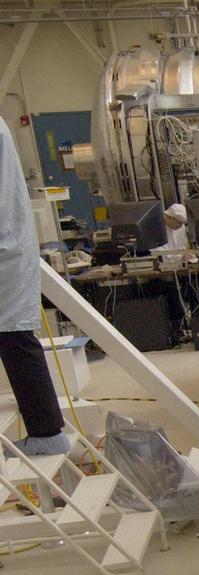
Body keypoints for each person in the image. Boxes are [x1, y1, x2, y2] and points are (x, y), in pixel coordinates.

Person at [0, 118, 70, 457]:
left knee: (14, 338)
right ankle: (46, 431)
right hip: (10, 247)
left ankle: (46, 434)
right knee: (15, 339)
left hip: (4, 251)